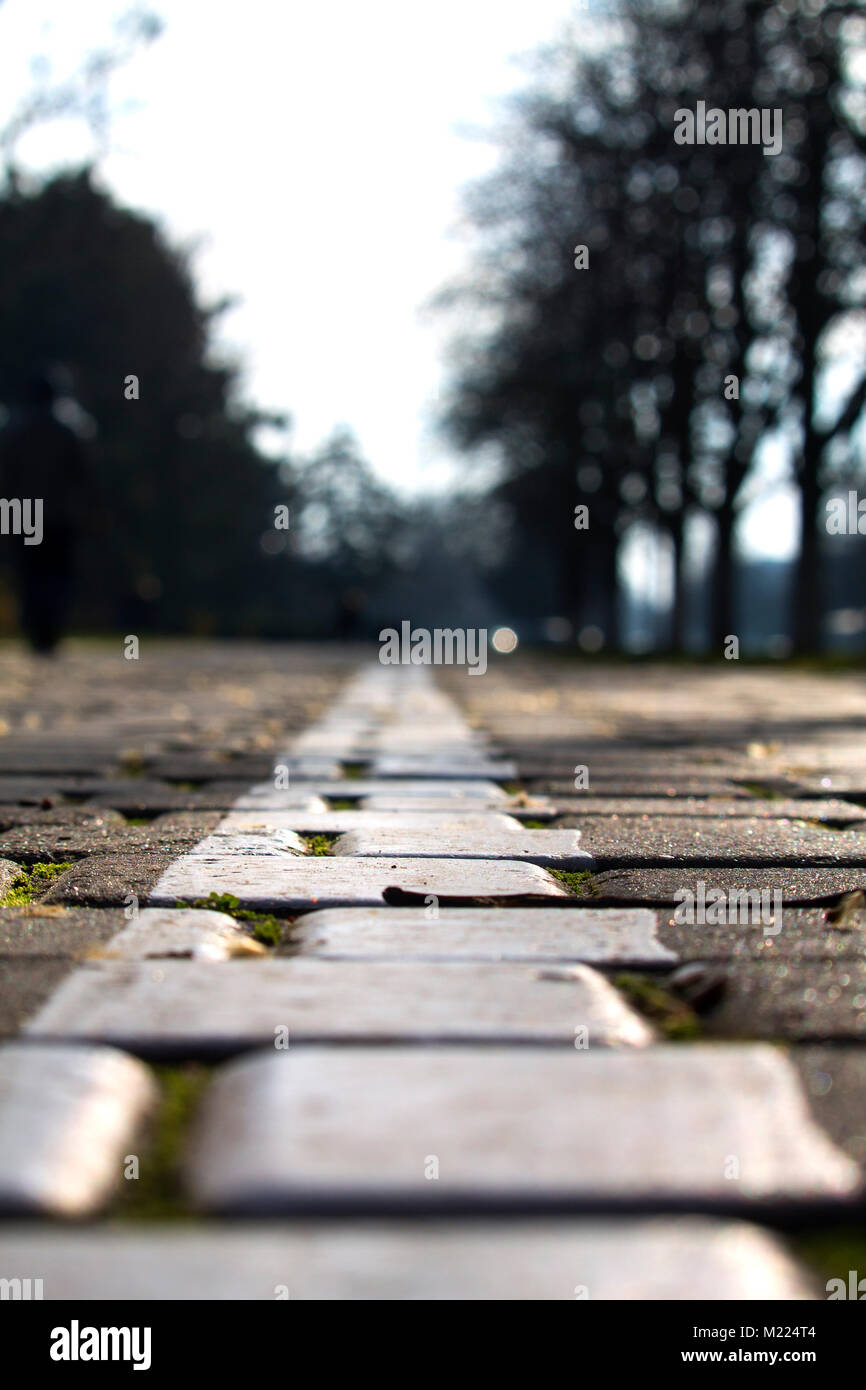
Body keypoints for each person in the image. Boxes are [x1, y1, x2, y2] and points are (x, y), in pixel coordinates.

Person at [0, 373, 89, 653]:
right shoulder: (66, 432)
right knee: (56, 574)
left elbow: (6, 477)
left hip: (25, 511)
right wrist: (92, 509)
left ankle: (38, 630)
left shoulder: (15, 431)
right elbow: (82, 476)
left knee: (30, 573)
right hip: (58, 514)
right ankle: (50, 627)